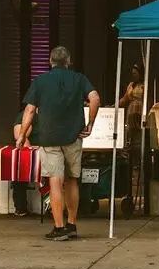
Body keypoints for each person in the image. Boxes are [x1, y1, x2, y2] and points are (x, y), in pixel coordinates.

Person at [17, 46, 100, 241]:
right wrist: (90, 125)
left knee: (55, 181)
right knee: (71, 180)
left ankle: (59, 227)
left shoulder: (40, 81)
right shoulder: (79, 79)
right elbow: (95, 98)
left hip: (49, 138)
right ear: (68, 61)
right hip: (73, 137)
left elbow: (29, 110)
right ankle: (72, 224)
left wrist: (22, 135)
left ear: (50, 61)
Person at [12, 105, 40, 217]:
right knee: (21, 172)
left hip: (52, 150)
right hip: (31, 151)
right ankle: (20, 207)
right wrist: (31, 155)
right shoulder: (28, 114)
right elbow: (19, 135)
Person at [120, 62, 144, 145]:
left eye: (135, 73)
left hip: (140, 109)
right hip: (131, 109)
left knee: (139, 130)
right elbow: (125, 98)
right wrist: (115, 105)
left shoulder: (144, 85)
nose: (133, 75)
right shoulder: (131, 85)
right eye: (132, 73)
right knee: (130, 130)